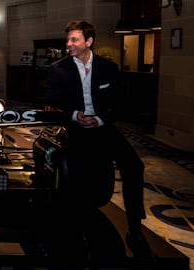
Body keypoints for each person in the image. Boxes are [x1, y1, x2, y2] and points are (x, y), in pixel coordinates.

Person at [45, 20, 152, 261]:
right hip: (75, 129)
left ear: (88, 42)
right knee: (77, 178)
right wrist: (75, 115)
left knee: (134, 167)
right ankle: (77, 234)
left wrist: (100, 119)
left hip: (103, 128)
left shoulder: (108, 68)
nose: (69, 44)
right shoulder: (58, 69)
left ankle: (135, 230)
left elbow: (120, 105)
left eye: (74, 39)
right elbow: (53, 104)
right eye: (69, 39)